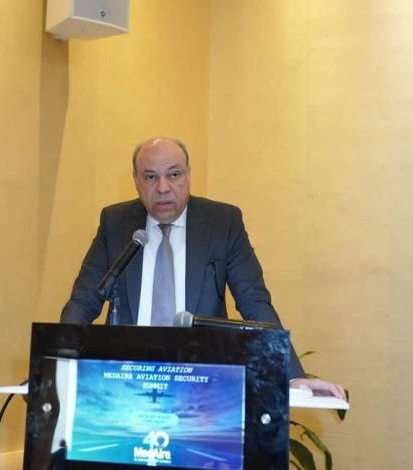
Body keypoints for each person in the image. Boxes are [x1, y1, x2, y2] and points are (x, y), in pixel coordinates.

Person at [61, 136, 345, 398]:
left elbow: (255, 302)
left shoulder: (223, 223)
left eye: (174, 174)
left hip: (201, 385)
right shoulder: (115, 222)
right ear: (136, 180)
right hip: (125, 382)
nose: (163, 187)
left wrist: (292, 376)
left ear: (188, 174)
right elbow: (84, 300)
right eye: (150, 177)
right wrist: (54, 362)